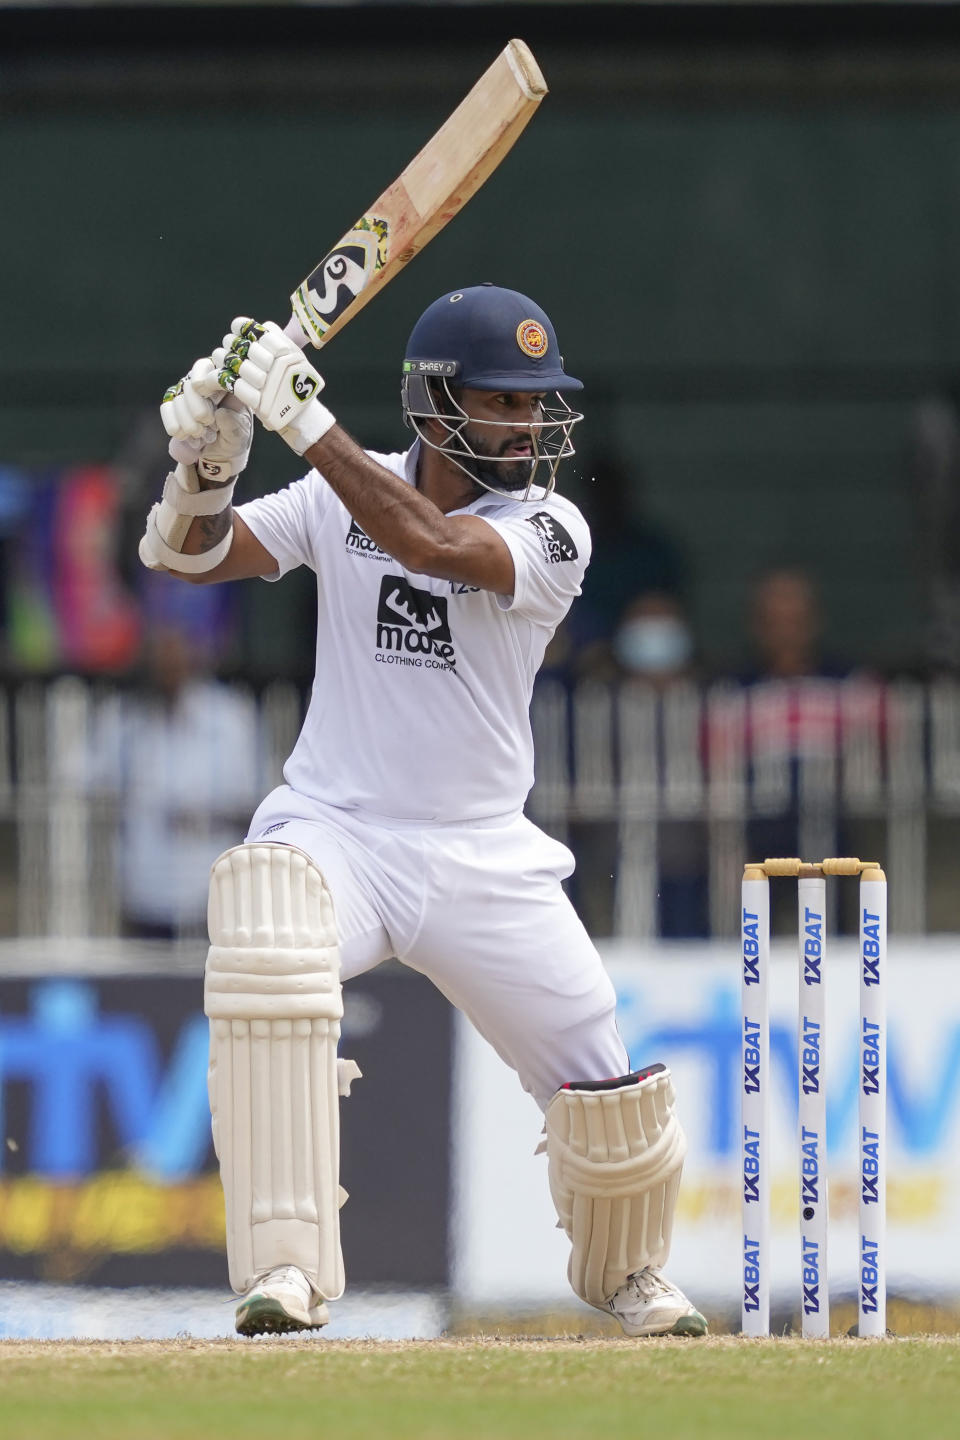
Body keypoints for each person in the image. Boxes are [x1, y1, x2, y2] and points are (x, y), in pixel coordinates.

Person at [139, 284, 706, 1340]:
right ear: (436, 404)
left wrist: (302, 422)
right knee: (269, 932)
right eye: (505, 402)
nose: (531, 424)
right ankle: (288, 1271)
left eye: (539, 405)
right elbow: (190, 556)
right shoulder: (334, 497)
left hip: (484, 853)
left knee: (607, 1087)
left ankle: (630, 1275)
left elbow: (432, 547)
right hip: (338, 829)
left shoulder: (550, 524)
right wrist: (206, 469)